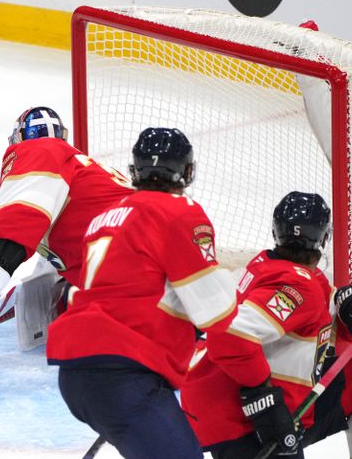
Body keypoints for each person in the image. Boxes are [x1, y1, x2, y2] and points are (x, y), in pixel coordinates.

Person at [46, 127, 239, 459]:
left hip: (77, 372)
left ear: (134, 170)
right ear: (188, 171)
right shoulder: (180, 211)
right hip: (123, 374)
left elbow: (134, 286)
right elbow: (216, 312)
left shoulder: (104, 217)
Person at [181, 191, 352, 459]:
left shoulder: (272, 266)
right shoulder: (298, 285)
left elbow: (316, 336)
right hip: (243, 423)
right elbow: (228, 337)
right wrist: (264, 400)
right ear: (324, 237)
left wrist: (351, 313)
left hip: (236, 408)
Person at [0, 106, 133, 351]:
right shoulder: (87, 170)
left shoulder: (41, 150)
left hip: (132, 272)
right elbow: (78, 234)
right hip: (165, 267)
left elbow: (21, 218)